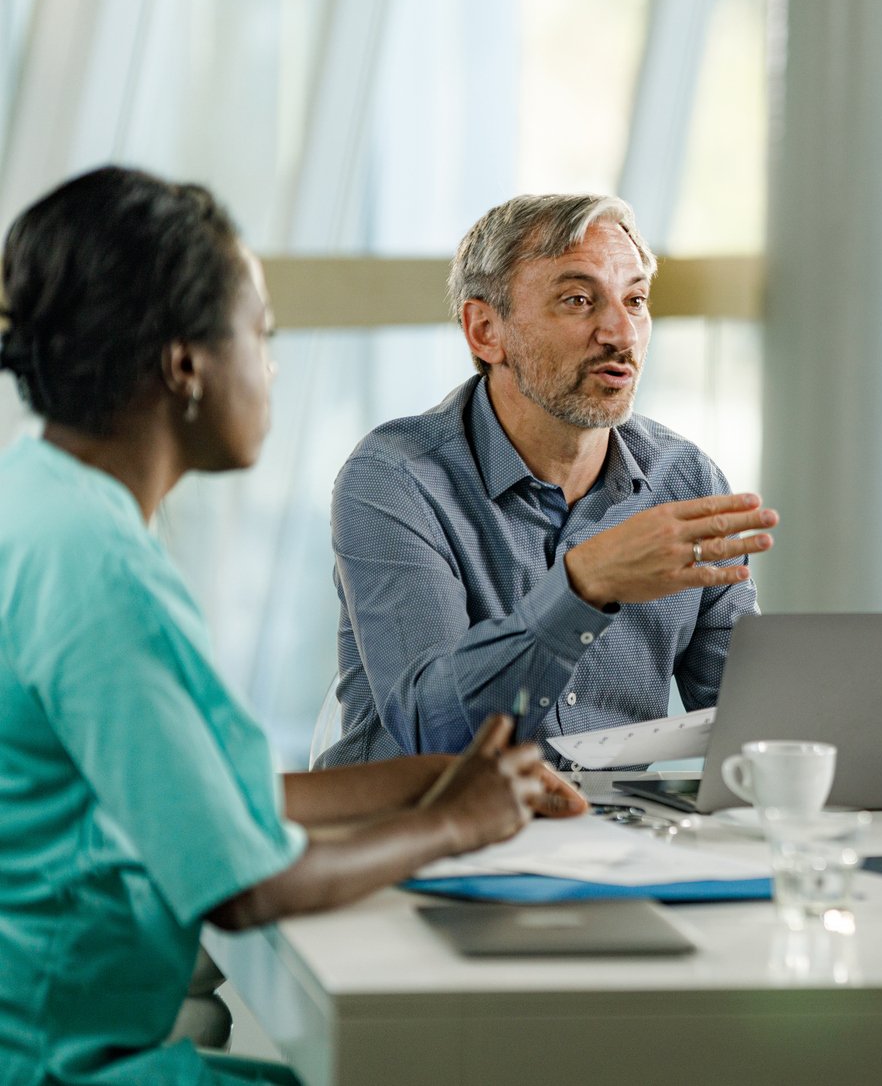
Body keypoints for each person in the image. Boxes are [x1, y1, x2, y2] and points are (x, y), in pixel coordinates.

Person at [0, 167, 583, 1085]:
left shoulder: (45, 505)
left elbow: (213, 795)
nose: (271, 367)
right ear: (184, 363)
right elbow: (248, 887)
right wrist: (457, 823)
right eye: (260, 336)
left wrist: (431, 781)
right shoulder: (101, 571)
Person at [319, 195, 779, 767]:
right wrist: (583, 586)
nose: (621, 332)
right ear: (486, 331)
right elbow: (435, 732)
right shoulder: (397, 478)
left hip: (610, 841)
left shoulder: (686, 478)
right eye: (579, 300)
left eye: (635, 300)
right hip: (428, 836)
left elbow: (749, 725)